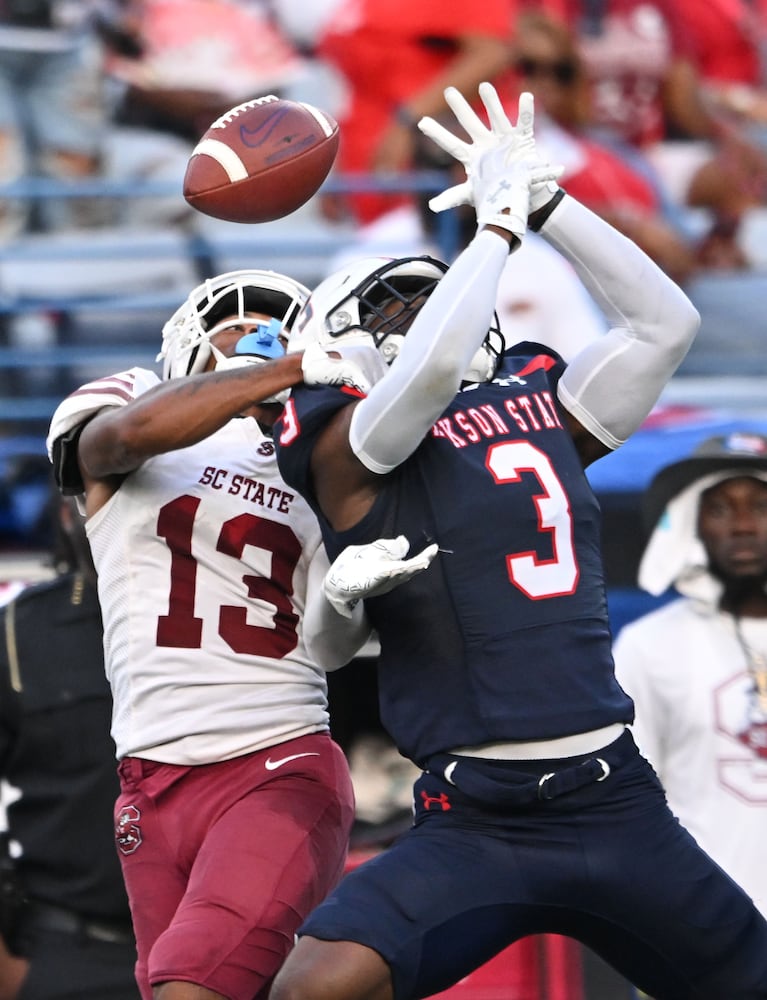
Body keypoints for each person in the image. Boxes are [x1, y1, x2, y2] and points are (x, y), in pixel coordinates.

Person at [270, 82, 767, 1000]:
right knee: (309, 987)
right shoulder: (349, 445)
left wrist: (549, 207)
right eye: (392, 311)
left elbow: (667, 325)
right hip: (475, 817)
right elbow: (409, 397)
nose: (419, 320)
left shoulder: (537, 411)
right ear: (345, 343)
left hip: (613, 796)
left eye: (430, 300)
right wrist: (493, 237)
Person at [44, 268, 381, 1000]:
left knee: (190, 987)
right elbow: (119, 441)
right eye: (237, 326)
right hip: (147, 783)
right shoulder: (130, 397)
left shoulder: (319, 460)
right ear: (190, 342)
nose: (257, 339)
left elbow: (331, 645)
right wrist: (285, 369)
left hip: (274, 764)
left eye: (279, 331)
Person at [613, 430, 767, 919]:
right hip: (702, 933)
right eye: (720, 509)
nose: (743, 526)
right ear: (689, 527)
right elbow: (628, 811)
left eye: (761, 507)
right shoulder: (649, 647)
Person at [0, 481, 140, 999]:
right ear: (66, 512)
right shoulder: (18, 631)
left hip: (230, 950)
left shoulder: (241, 613)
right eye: (97, 490)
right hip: (74, 956)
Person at [313, 0, 512, 225]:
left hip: (429, 187)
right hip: (370, 190)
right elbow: (359, 88)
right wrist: (338, 165)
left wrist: (408, 120)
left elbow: (492, 54)